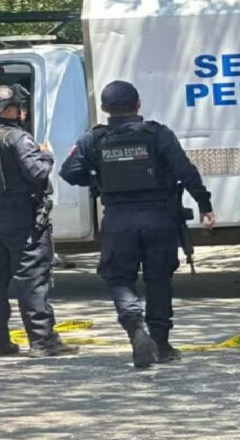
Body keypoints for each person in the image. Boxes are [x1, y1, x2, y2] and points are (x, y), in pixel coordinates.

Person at [61, 81, 215, 368]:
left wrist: (97, 177)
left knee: (120, 279)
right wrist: (204, 205)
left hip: (118, 219)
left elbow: (69, 172)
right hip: (159, 218)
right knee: (159, 280)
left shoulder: (93, 139)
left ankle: (135, 330)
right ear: (138, 103)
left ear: (104, 108)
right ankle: (161, 344)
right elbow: (185, 171)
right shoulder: (158, 134)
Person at [0, 84, 77, 358]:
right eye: (18, 107)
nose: (22, 112)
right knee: (31, 277)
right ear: (8, 111)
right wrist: (45, 154)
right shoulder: (17, 138)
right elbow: (37, 173)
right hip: (22, 217)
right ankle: (43, 341)